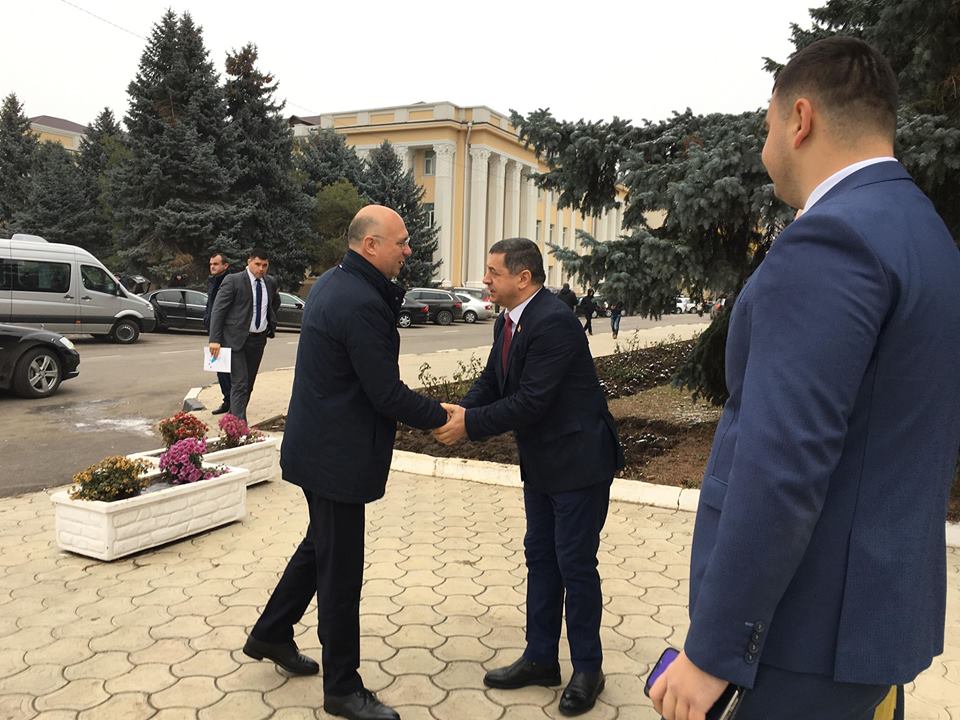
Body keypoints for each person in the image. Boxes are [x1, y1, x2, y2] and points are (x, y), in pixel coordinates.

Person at [650, 37, 960, 720]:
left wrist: (713, 652)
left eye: (767, 127)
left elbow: (783, 464)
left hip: (802, 637)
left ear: (800, 119)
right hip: (873, 623)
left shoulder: (830, 240)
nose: (766, 148)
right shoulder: (924, 231)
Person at [244, 206, 448, 720]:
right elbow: (385, 392)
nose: (408, 250)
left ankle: (271, 632)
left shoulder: (334, 283)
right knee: (341, 574)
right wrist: (444, 418)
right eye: (401, 242)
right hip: (336, 457)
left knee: (320, 546)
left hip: (319, 445)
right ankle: (342, 688)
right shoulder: (359, 301)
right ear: (370, 245)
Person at [434, 237, 624, 717]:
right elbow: (493, 381)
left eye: (493, 273)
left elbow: (532, 400)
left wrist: (470, 426)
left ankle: (588, 669)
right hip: (542, 464)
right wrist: (460, 411)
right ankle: (540, 658)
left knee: (575, 565)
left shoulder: (554, 322)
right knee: (540, 558)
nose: (485, 280)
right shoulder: (509, 320)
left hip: (578, 464)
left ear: (523, 278)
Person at [208, 248, 279, 423]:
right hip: (235, 340)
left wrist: (269, 323)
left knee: (248, 385)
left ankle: (232, 421)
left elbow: (273, 303)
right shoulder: (233, 281)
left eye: (264, 265)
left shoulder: (270, 282)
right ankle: (239, 428)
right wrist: (214, 340)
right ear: (249, 262)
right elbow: (218, 310)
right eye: (257, 264)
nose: (261, 269)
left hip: (258, 340)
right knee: (239, 383)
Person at [203, 251, 232, 415]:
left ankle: (234, 402)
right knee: (220, 368)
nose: (212, 267)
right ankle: (227, 400)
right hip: (214, 331)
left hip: (225, 332)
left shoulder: (229, 281)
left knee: (229, 370)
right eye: (211, 264)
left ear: (225, 266)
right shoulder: (212, 281)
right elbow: (211, 305)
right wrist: (206, 319)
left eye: (216, 264)